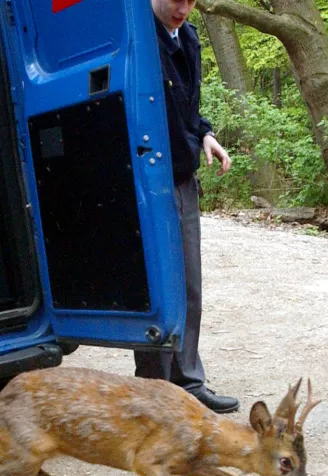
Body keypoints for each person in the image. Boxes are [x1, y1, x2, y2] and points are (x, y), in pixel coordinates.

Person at [134, 0, 240, 414]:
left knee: (189, 285)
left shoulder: (190, 37)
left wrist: (207, 135)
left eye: (191, 0)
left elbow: (188, 109)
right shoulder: (136, 37)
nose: (183, 7)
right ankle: (154, 394)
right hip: (146, 182)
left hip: (182, 178)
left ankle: (188, 383)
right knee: (159, 287)